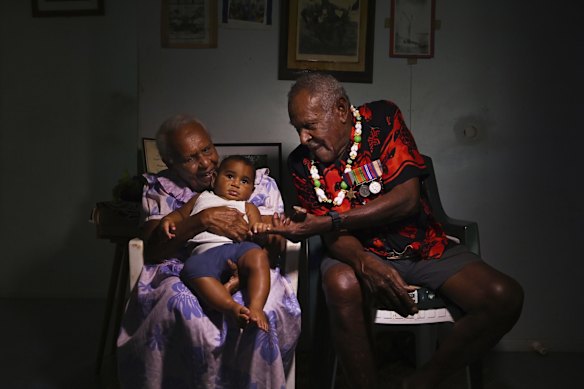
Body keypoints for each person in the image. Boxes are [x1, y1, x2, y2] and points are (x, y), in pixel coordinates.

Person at [270, 72, 524, 389]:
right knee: (340, 280)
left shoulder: (382, 119)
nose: (303, 137)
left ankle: (420, 382)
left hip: (422, 247)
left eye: (310, 125)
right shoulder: (301, 164)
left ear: (340, 109)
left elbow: (407, 200)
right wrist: (363, 261)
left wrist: (332, 220)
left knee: (504, 297)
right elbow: (331, 236)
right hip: (357, 251)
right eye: (298, 128)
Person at [117, 115, 301, 389]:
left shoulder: (257, 182)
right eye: (190, 158)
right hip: (182, 266)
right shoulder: (159, 189)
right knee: (178, 305)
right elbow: (154, 249)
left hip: (249, 263)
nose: (204, 163)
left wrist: (275, 234)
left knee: (269, 307)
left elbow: (270, 241)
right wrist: (200, 220)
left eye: (206, 150)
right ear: (170, 163)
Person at [159, 155, 273, 332]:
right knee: (192, 269)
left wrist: (259, 229)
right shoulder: (201, 198)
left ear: (251, 189)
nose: (235, 184)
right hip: (204, 253)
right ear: (214, 179)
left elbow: (258, 236)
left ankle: (256, 308)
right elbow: (180, 215)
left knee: (258, 255)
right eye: (229, 176)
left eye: (244, 181)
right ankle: (232, 307)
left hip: (237, 249)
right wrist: (167, 220)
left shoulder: (248, 207)